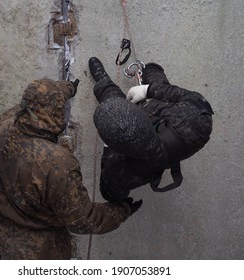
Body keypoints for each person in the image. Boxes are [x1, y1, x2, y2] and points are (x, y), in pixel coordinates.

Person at [0, 78, 142, 260]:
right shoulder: (56, 163)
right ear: (57, 112)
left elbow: (37, 99)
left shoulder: (4, 124)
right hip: (36, 250)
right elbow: (83, 220)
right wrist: (121, 210)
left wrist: (67, 89)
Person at [88, 57, 214, 202]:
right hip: (165, 116)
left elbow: (110, 193)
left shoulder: (120, 172)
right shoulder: (196, 121)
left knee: (109, 94)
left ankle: (104, 84)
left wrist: (109, 149)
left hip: (157, 122)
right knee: (153, 72)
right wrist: (149, 90)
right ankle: (150, 70)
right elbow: (194, 99)